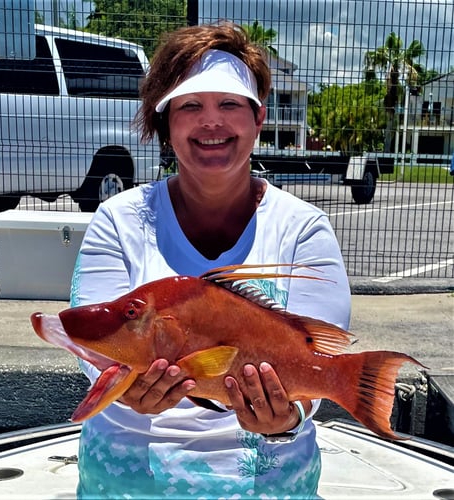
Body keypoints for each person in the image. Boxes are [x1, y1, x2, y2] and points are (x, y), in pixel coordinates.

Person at [71, 21, 351, 499]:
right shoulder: (118, 220)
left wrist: (286, 419)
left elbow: (319, 359)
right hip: (129, 481)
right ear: (165, 122)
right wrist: (114, 382)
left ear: (258, 117)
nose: (211, 121)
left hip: (266, 483)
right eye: (190, 106)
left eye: (229, 104)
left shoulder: (304, 228)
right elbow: (99, 345)